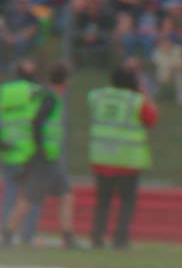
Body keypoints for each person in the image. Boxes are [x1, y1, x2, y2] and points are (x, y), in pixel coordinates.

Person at [4, 64, 76, 247]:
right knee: (28, 200)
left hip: (50, 157)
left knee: (67, 195)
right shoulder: (50, 99)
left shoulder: (45, 95)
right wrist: (40, 147)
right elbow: (36, 121)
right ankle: (8, 234)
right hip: (43, 158)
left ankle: (68, 237)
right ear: (65, 82)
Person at [86, 64, 155, 250]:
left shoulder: (97, 96)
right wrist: (145, 93)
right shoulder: (136, 100)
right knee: (127, 202)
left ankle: (97, 238)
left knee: (102, 202)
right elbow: (152, 119)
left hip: (102, 156)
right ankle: (120, 239)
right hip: (127, 159)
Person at [0, 60, 40, 242]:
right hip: (30, 152)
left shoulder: (4, 91)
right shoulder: (36, 91)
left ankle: (6, 231)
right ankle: (27, 234)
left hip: (8, 150)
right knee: (32, 196)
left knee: (10, 193)